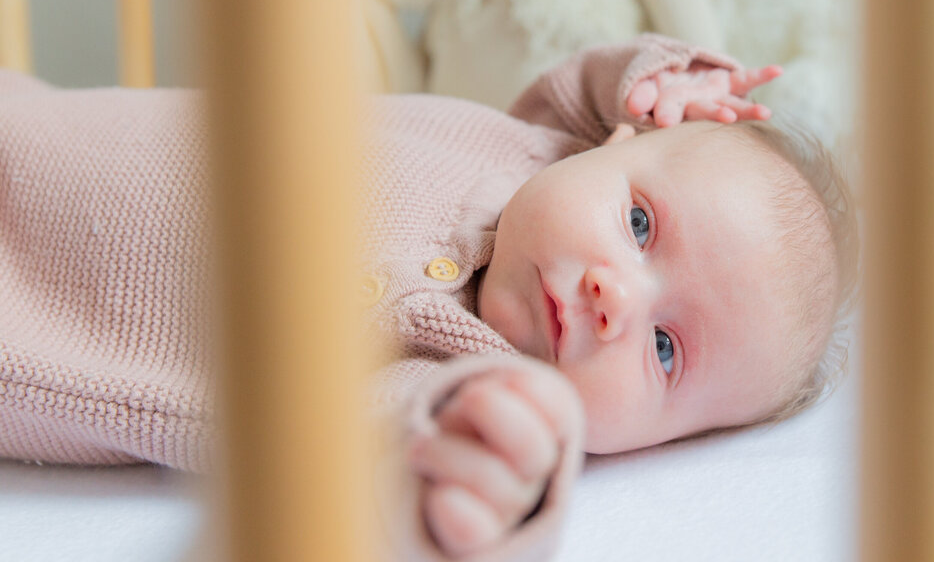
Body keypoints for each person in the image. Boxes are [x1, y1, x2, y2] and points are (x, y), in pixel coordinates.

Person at [0, 35, 857, 561]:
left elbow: (389, 459)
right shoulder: (540, 143)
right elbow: (590, 83)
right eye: (639, 223)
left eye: (665, 349)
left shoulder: (462, 378)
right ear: (615, 142)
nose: (614, 297)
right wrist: (667, 72)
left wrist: (479, 483)